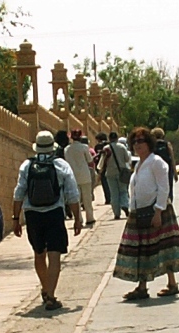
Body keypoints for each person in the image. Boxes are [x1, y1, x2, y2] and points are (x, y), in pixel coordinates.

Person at [13, 129, 83, 311]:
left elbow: (19, 192)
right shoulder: (60, 165)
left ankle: (45, 288)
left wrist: (15, 218)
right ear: (53, 147)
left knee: (39, 253)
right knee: (54, 254)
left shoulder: (26, 166)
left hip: (32, 215)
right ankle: (51, 295)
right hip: (54, 212)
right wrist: (77, 218)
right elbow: (72, 194)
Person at [117, 125, 179, 300]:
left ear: (149, 143)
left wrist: (158, 211)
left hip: (156, 211)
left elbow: (164, 188)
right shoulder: (139, 164)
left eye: (141, 141)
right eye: (134, 142)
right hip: (140, 212)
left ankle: (172, 283)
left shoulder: (157, 162)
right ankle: (142, 286)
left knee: (165, 246)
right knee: (143, 249)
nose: (137, 145)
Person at [63, 129, 97, 228]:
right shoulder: (84, 147)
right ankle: (90, 218)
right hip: (85, 175)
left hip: (72, 176)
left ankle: (79, 219)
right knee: (87, 198)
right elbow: (90, 160)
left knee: (76, 199)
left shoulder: (67, 149)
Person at [98, 130, 132, 220]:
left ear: (109, 138)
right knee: (123, 191)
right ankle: (124, 204)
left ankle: (116, 213)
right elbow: (127, 159)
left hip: (110, 173)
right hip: (121, 172)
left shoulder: (106, 148)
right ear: (117, 138)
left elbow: (101, 163)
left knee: (114, 193)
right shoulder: (122, 147)